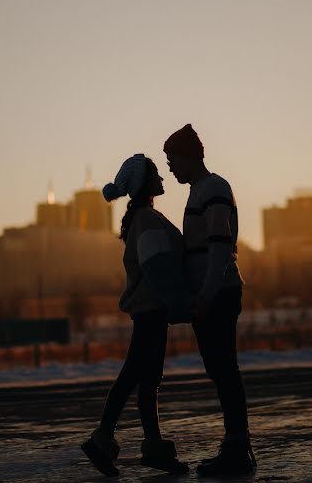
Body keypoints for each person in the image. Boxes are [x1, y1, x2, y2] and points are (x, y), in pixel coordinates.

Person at [81, 154, 190, 477]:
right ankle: (108, 440)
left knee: (144, 379)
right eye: (156, 174)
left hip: (150, 310)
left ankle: (138, 443)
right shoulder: (146, 220)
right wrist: (181, 304)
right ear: (145, 182)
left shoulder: (144, 218)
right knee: (137, 377)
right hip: (152, 310)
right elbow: (159, 269)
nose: (162, 179)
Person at [164, 124, 257, 477]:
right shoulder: (200, 190)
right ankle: (236, 445)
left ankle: (237, 447)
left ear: (189, 157)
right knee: (220, 370)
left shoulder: (213, 188)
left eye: (173, 160)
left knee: (224, 370)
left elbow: (219, 247)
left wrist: (206, 294)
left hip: (218, 294)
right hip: (213, 293)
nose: (170, 167)